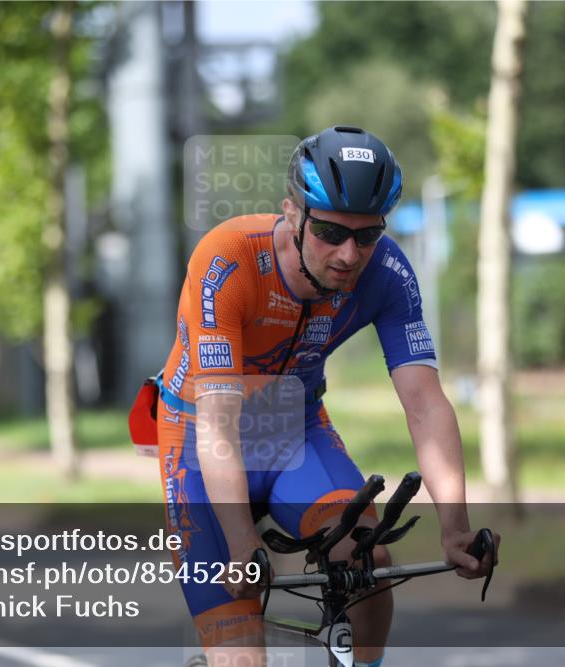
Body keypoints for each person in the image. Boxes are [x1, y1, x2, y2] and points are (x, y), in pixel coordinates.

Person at [154, 126, 499, 667]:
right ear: (293, 214)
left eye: (367, 235)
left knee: (368, 559)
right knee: (241, 656)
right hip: (201, 435)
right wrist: (243, 542)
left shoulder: (386, 272)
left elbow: (426, 405)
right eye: (332, 232)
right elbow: (217, 425)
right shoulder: (228, 262)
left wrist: (454, 526)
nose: (348, 254)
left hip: (295, 430)